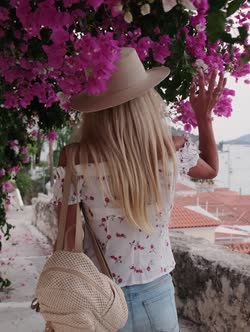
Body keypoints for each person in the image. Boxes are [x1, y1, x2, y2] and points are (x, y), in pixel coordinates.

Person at [51, 47, 225, 332]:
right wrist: (203, 118)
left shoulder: (74, 158)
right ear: (145, 101)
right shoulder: (171, 149)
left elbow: (68, 239)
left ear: (95, 110)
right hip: (157, 295)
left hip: (100, 298)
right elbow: (210, 170)